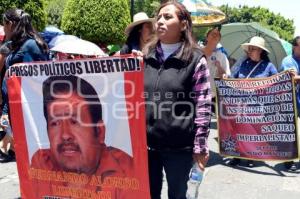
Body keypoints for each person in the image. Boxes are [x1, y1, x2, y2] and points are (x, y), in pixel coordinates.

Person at [143, 2, 211, 199]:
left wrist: (200, 148)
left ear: (183, 25)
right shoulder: (145, 57)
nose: (161, 21)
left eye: (168, 17)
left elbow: (204, 106)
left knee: (179, 195)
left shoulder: (196, 60)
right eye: (159, 17)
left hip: (179, 148)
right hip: (147, 147)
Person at [30, 75, 133, 198]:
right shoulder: (41, 164)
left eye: (74, 122)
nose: (65, 135)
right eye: (55, 123)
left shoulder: (127, 171)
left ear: (99, 132)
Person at [227, 36, 278, 167]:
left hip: (257, 107)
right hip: (240, 105)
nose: (249, 51)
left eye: (252, 49)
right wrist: (225, 78)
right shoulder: (244, 63)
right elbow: (232, 79)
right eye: (249, 49)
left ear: (260, 51)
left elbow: (278, 84)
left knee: (251, 134)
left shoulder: (269, 66)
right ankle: (236, 156)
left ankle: (251, 157)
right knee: (238, 132)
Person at [0, 9, 49, 140]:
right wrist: (5, 110)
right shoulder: (16, 45)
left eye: (4, 25)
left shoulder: (31, 46)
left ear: (10, 24)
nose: (3, 29)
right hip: (14, 107)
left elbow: (39, 81)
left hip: (29, 111)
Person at [280, 36, 300, 171]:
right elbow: (287, 79)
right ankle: (288, 159)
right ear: (294, 46)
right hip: (291, 101)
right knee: (290, 132)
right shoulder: (287, 61)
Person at [201, 26, 230, 113]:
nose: (215, 36)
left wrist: (219, 67)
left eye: (217, 35)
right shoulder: (198, 52)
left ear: (219, 40)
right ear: (207, 37)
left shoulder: (222, 56)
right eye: (212, 34)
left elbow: (225, 76)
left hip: (214, 97)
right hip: (198, 95)